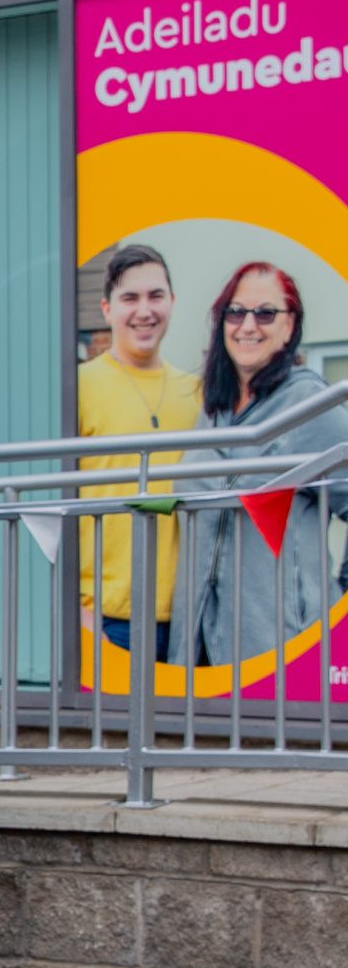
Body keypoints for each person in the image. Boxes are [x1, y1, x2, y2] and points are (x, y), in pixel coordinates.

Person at [173, 262, 348, 669]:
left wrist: (339, 602)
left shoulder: (311, 406)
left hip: (279, 648)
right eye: (236, 312)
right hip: (199, 647)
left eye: (266, 313)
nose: (248, 325)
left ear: (289, 328)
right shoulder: (213, 410)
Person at [77, 245, 202, 663]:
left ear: (172, 302)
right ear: (107, 308)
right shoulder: (75, 387)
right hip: (105, 618)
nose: (144, 310)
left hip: (189, 616)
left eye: (155, 296)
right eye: (130, 298)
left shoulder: (197, 393)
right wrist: (77, 610)